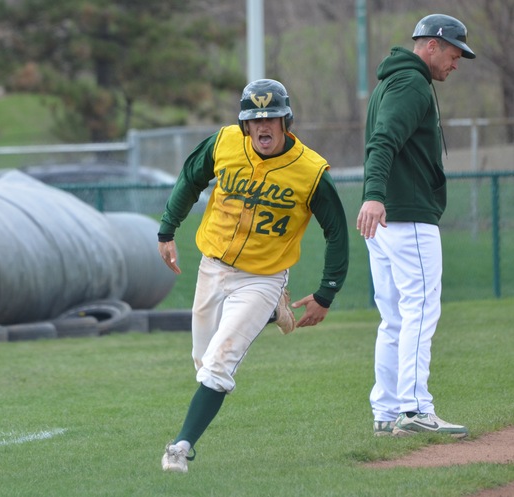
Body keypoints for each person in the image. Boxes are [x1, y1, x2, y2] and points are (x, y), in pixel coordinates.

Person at [157, 78, 349, 473]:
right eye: (255, 118)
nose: (263, 125)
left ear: (286, 121)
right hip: (213, 267)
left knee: (218, 366)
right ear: (245, 124)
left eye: (272, 117)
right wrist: (167, 229)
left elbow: (337, 232)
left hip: (262, 277)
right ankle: (271, 313)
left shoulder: (310, 171)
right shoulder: (225, 142)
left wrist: (326, 293)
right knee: (202, 361)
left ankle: (180, 447)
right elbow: (190, 179)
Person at [356, 14, 475, 438]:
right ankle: (413, 408)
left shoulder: (393, 81)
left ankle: (387, 411)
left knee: (395, 318)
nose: (456, 63)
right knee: (420, 312)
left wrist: (375, 197)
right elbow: (384, 139)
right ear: (431, 45)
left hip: (389, 219)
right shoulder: (411, 83)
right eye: (454, 52)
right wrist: (373, 193)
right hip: (405, 216)